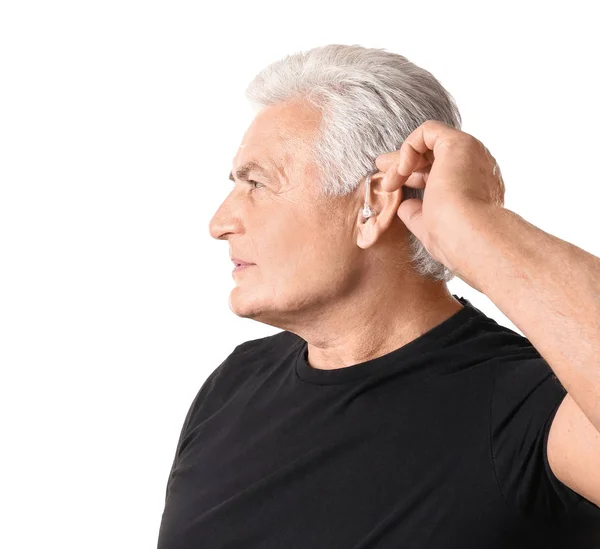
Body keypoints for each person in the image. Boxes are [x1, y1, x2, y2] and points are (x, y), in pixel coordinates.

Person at [157, 44, 600, 548]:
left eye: (256, 183)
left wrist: (479, 228)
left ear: (372, 203)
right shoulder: (234, 385)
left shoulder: (533, 409)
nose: (220, 223)